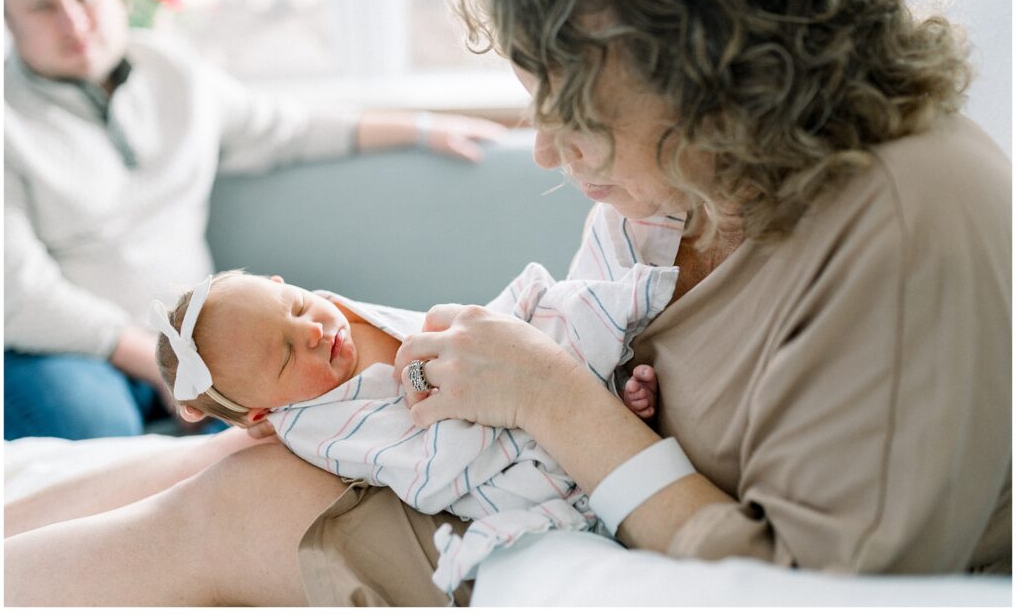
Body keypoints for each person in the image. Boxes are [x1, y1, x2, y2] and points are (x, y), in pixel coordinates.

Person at [4, 0, 1010, 607]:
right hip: (520, 472)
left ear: (698, 60)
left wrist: (552, 398)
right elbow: (585, 335)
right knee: (223, 461)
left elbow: (806, 585)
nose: (542, 149)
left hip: (557, 512)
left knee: (225, 504)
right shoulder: (691, 178)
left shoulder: (901, 225)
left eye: (569, 102)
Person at [3, 0, 507, 440]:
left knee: (284, 424)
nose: (73, 21)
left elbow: (285, 130)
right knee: (92, 422)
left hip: (203, 347)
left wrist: (421, 129)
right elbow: (21, 294)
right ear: (9, 21)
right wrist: (151, 359)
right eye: (42, 7)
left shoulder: (174, 71)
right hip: (68, 352)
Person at [148, 200, 674, 593]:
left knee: (549, 310)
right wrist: (434, 385)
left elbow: (433, 335)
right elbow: (423, 473)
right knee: (523, 460)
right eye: (286, 356)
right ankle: (593, 430)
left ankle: (604, 373)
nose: (311, 332)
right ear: (267, 412)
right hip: (468, 448)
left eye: (297, 306)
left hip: (484, 372)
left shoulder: (335, 318)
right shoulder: (319, 427)